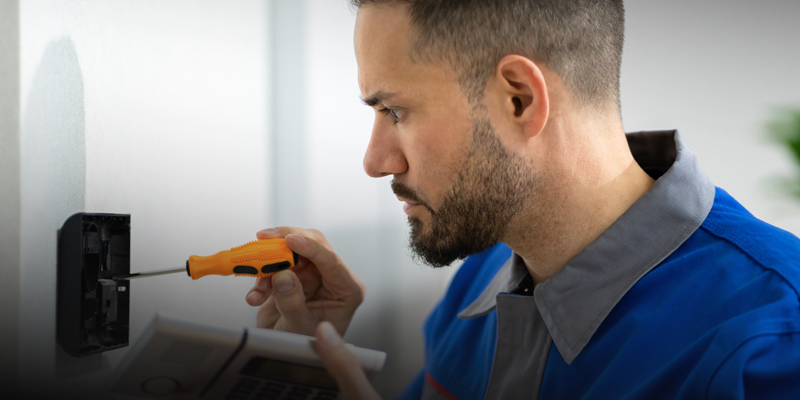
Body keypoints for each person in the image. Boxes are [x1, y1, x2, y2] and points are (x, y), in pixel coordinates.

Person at [245, 1, 800, 399]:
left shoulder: (773, 339)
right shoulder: (482, 275)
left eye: (395, 111)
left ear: (519, 99)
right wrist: (310, 368)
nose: (376, 160)